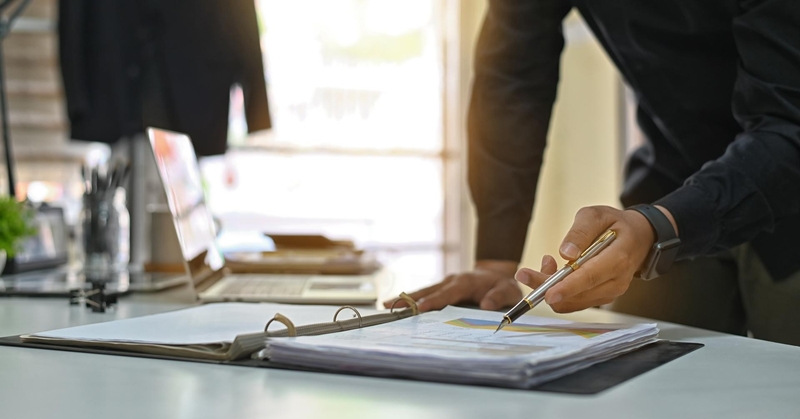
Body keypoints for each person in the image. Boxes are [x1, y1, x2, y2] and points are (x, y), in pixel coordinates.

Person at [386, 0, 800, 346]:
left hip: (784, 189)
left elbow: (790, 121)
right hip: (670, 184)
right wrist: (495, 261)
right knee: (636, 385)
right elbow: (513, 79)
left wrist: (659, 226)